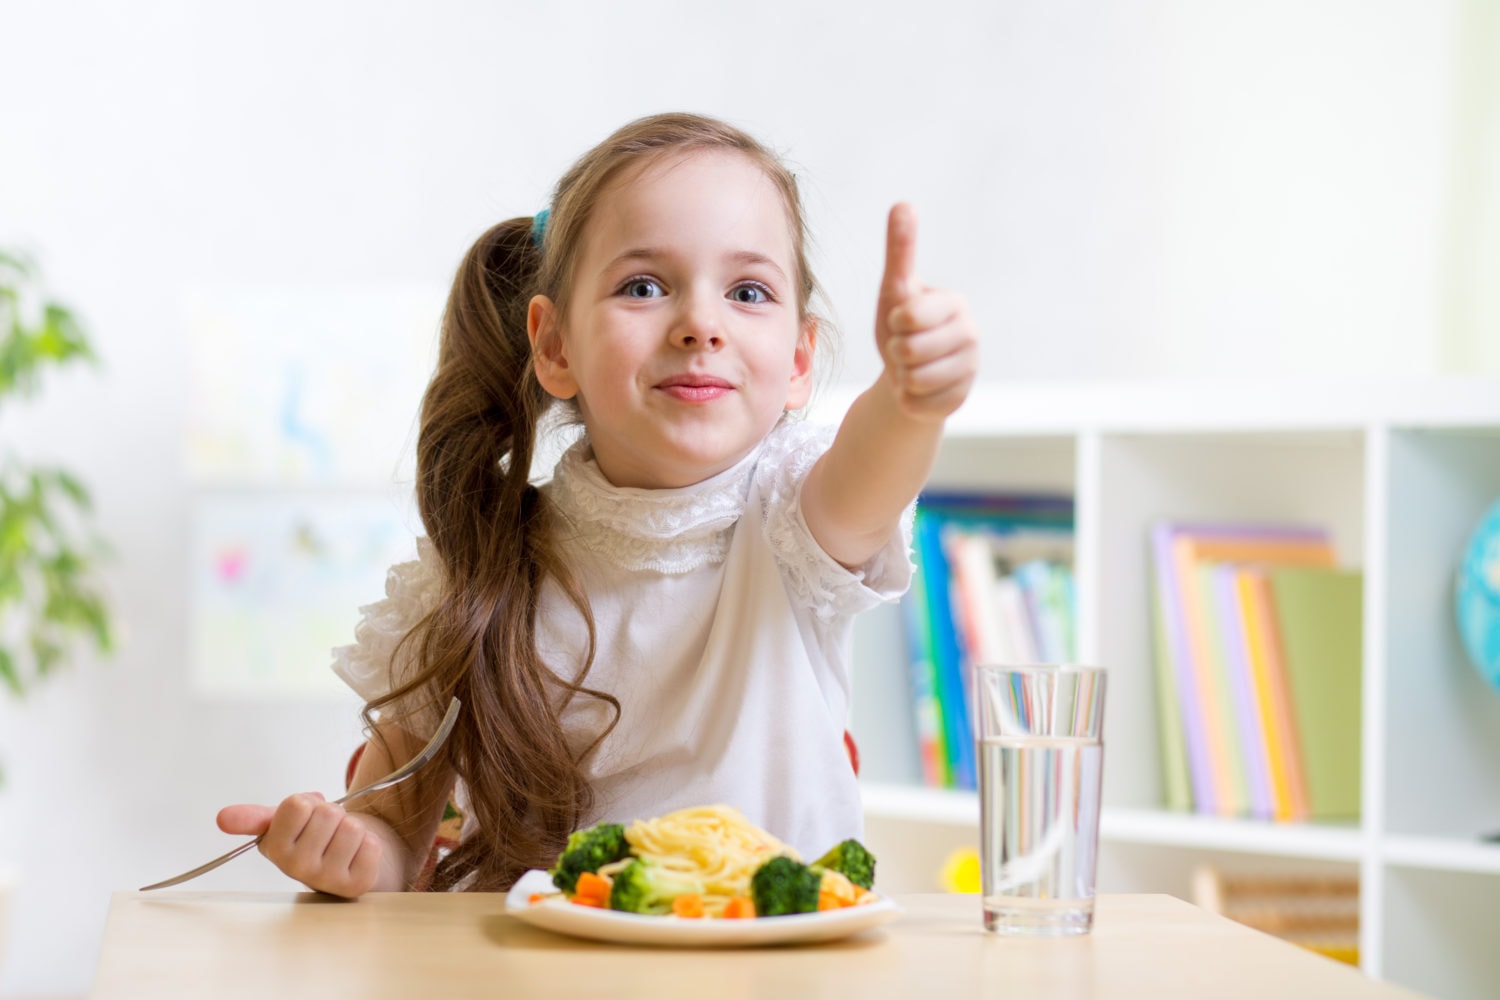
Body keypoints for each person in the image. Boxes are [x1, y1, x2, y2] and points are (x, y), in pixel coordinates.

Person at [217, 112, 978, 897]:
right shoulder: (480, 564)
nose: (700, 325)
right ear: (554, 345)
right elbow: (393, 837)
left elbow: (870, 475)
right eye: (644, 286)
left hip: (769, 972)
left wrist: (913, 399)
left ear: (797, 360)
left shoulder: (796, 518)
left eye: (748, 291)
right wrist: (348, 852)